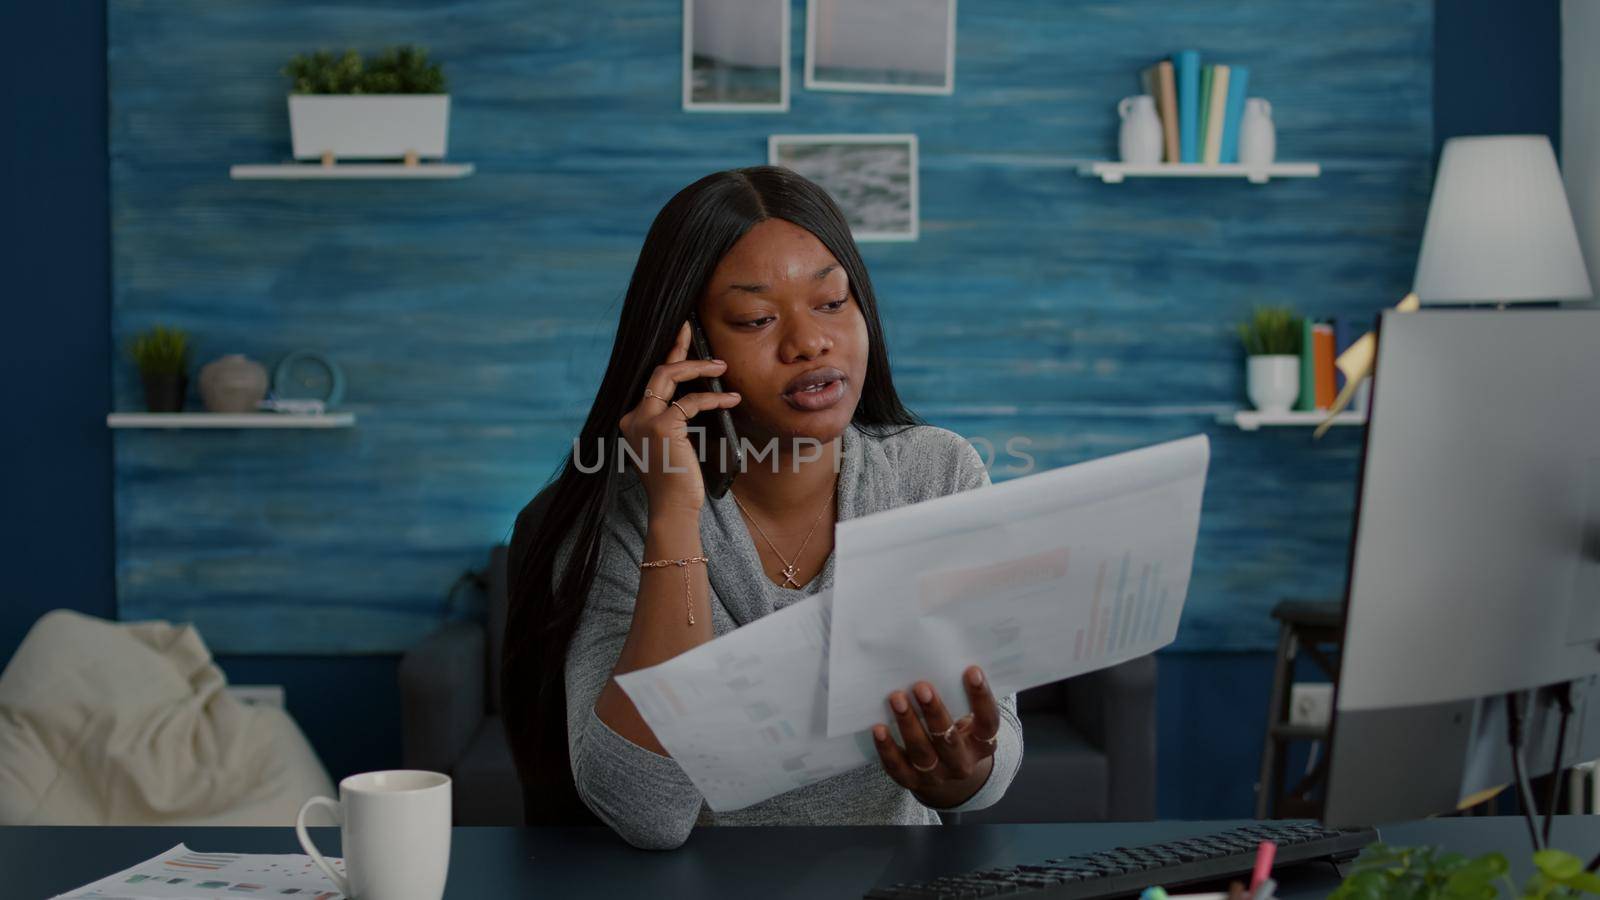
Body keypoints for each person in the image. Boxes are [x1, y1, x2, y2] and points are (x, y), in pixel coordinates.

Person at [504, 165, 1023, 850]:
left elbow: (994, 753)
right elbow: (645, 811)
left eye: (832, 303)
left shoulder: (939, 474)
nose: (809, 342)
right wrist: (673, 514)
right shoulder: (620, 516)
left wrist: (956, 773)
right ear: (687, 346)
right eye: (756, 319)